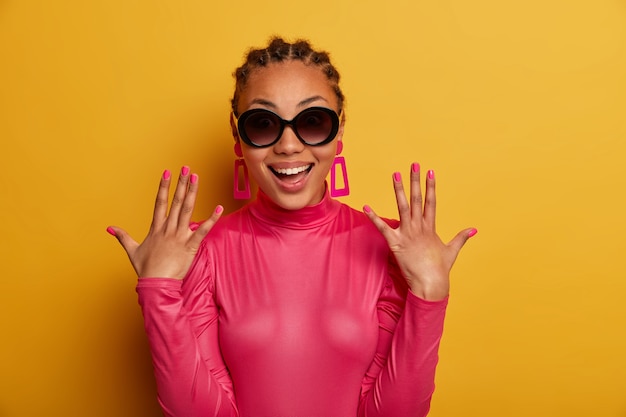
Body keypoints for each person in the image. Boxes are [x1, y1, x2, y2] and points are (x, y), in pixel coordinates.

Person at [107, 37, 477, 417]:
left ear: (339, 131)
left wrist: (429, 295)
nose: (288, 145)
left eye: (312, 121)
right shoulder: (196, 251)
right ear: (237, 136)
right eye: (263, 124)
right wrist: (159, 290)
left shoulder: (393, 246)